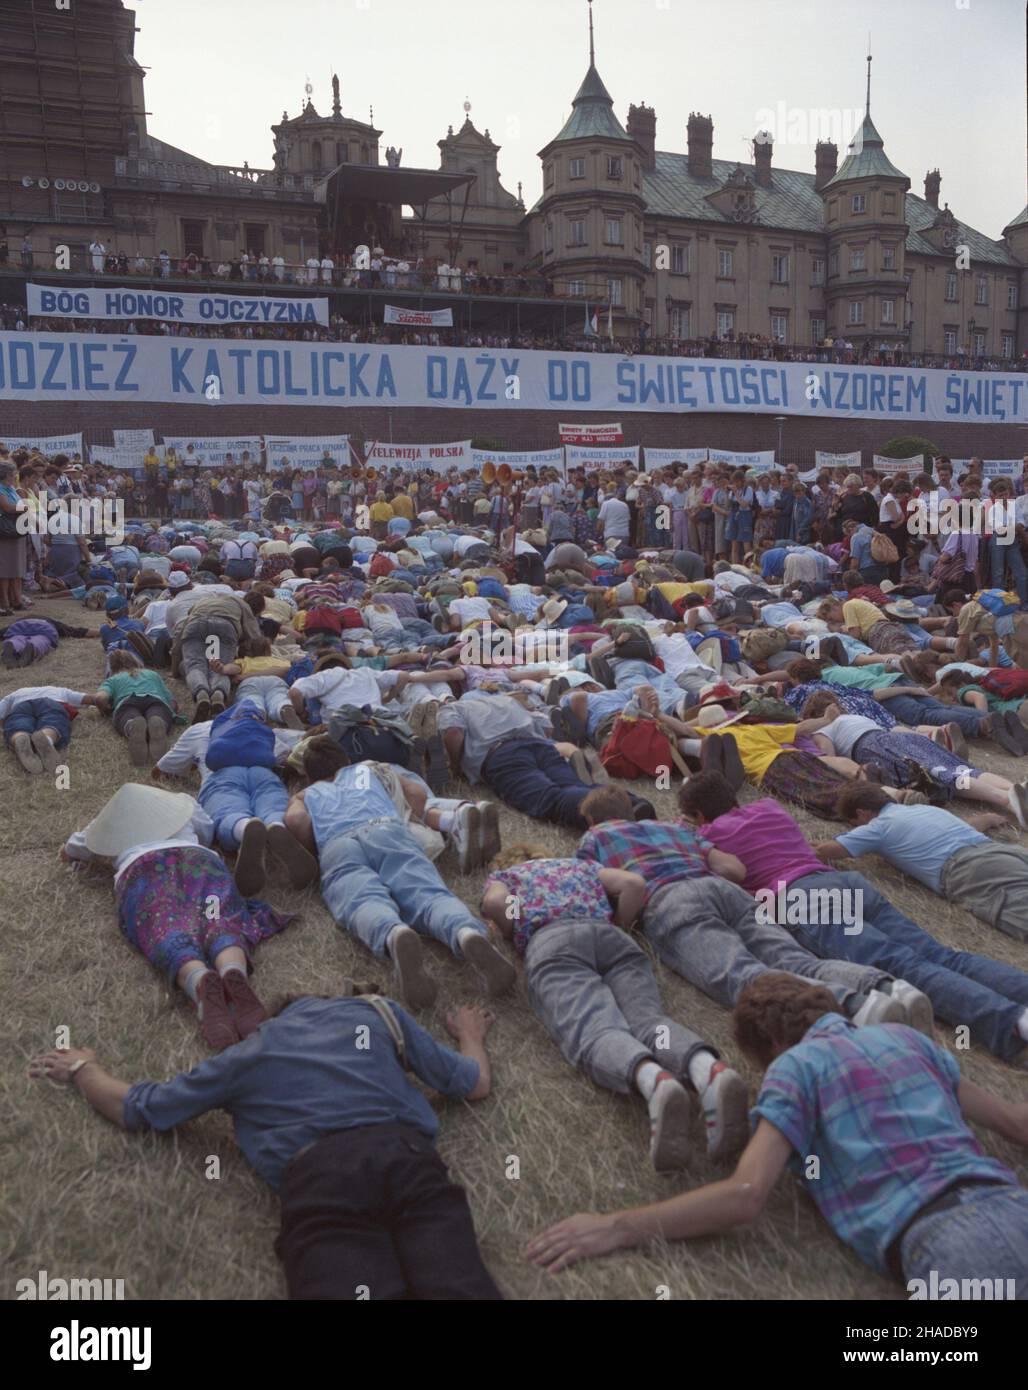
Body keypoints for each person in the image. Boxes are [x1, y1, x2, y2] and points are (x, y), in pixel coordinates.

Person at [526, 973, 1028, 1296]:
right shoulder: (904, 1038)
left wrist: (616, 1226)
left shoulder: (796, 1067)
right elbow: (1013, 1122)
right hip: (1011, 1203)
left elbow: (744, 1196)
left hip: (952, 1241)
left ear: (769, 1043)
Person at [29, 995, 502, 1301]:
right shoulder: (377, 1013)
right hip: (407, 1159)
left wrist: (83, 1069)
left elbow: (138, 1107)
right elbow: (474, 1082)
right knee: (458, 1285)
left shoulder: (248, 1054)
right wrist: (470, 1036)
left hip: (322, 1182)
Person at [482, 849, 731, 1171]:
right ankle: (707, 1070)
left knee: (594, 1025)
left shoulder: (506, 877)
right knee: (649, 1019)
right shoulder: (582, 867)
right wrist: (620, 927)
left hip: (552, 940)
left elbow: (495, 904)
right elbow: (633, 883)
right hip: (610, 937)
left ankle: (654, 1081)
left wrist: (514, 931)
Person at [284, 737, 513, 1008]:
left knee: (361, 901)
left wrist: (309, 827)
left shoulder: (309, 793)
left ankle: (393, 934)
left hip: (338, 844)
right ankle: (465, 933)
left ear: (309, 775)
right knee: (427, 894)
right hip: (384, 829)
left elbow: (296, 821)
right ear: (345, 760)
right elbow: (416, 795)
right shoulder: (367, 770)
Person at [60, 785, 294, 1050]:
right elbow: (205, 832)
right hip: (197, 860)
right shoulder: (183, 801)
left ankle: (198, 979)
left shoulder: (105, 820)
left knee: (163, 927)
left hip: (142, 870)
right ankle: (232, 970)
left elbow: (72, 850)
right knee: (217, 916)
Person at [825, 781, 1028, 950]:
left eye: (853, 824)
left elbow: (822, 851)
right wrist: (990, 819)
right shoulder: (924, 810)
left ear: (861, 814)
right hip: (1003, 851)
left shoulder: (877, 827)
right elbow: (968, 823)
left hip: (971, 869)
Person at [93, 648, 177, 764]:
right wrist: (172, 712)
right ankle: (159, 723)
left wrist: (104, 709)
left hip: (128, 701)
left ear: (112, 667)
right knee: (158, 713)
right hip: (154, 698)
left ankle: (132, 726)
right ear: (134, 660)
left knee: (128, 716)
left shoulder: (112, 679)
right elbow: (171, 701)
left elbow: (100, 698)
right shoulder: (152, 674)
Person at [0, 682, 94, 774]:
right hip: (51, 702)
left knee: (18, 724)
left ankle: (19, 737)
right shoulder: (60, 691)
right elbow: (88, 699)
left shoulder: (18, 692)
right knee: (54, 721)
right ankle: (47, 737)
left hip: (22, 705)